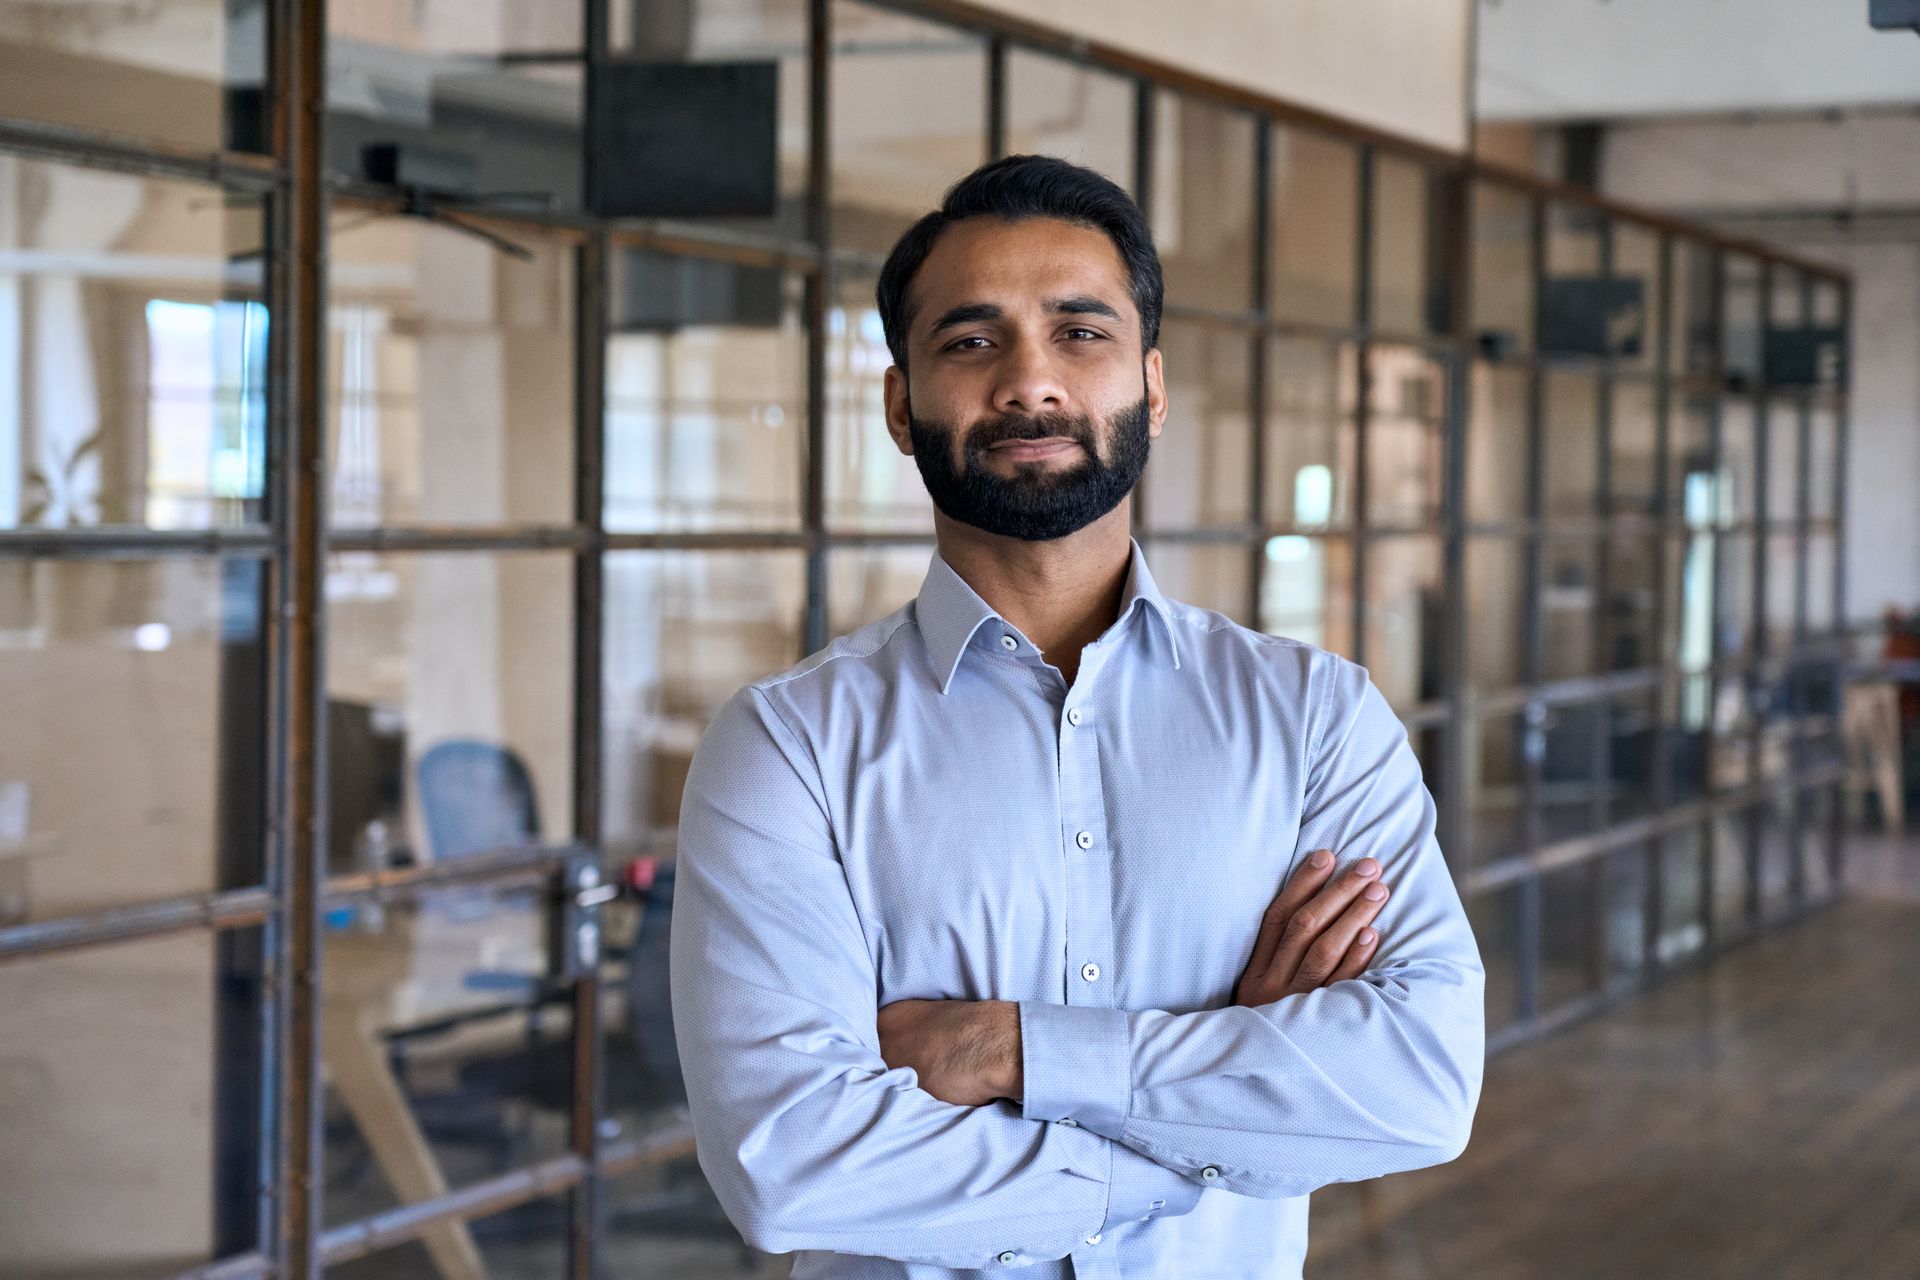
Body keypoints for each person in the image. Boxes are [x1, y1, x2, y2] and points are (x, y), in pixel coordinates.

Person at [669, 154, 1484, 1279]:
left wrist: (1007, 1048)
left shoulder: (1315, 719)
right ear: (901, 404)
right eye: (969, 340)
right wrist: (1225, 1118)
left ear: (1151, 388)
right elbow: (789, 1163)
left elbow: (1419, 1086)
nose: (1029, 382)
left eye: (1080, 333)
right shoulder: (789, 746)